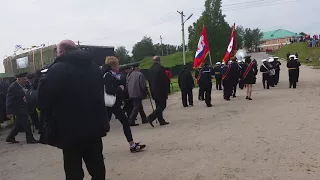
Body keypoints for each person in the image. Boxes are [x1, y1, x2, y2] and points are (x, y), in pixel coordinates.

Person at [38, 40, 108, 179]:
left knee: (73, 170)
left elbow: (44, 101)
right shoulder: (94, 67)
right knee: (97, 166)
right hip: (94, 125)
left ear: (62, 52)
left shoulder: (57, 69)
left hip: (69, 129)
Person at [102, 56, 146, 152]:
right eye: (117, 65)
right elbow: (109, 90)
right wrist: (120, 88)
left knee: (108, 125)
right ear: (113, 66)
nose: (118, 67)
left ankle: (132, 144)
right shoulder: (109, 75)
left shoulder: (108, 74)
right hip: (112, 103)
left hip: (111, 104)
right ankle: (132, 145)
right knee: (107, 126)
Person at [6, 72, 38, 144]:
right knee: (26, 123)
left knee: (18, 124)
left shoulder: (24, 85)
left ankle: (10, 137)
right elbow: (9, 100)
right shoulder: (13, 87)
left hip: (24, 107)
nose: (25, 81)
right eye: (23, 79)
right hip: (18, 108)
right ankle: (30, 139)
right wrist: (9, 112)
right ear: (19, 79)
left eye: (25, 79)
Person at [147, 56, 170, 127]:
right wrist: (167, 90)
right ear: (159, 61)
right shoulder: (161, 68)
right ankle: (151, 117)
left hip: (153, 90)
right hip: (161, 90)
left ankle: (161, 120)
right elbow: (164, 80)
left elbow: (149, 81)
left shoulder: (150, 69)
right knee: (163, 105)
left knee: (158, 105)